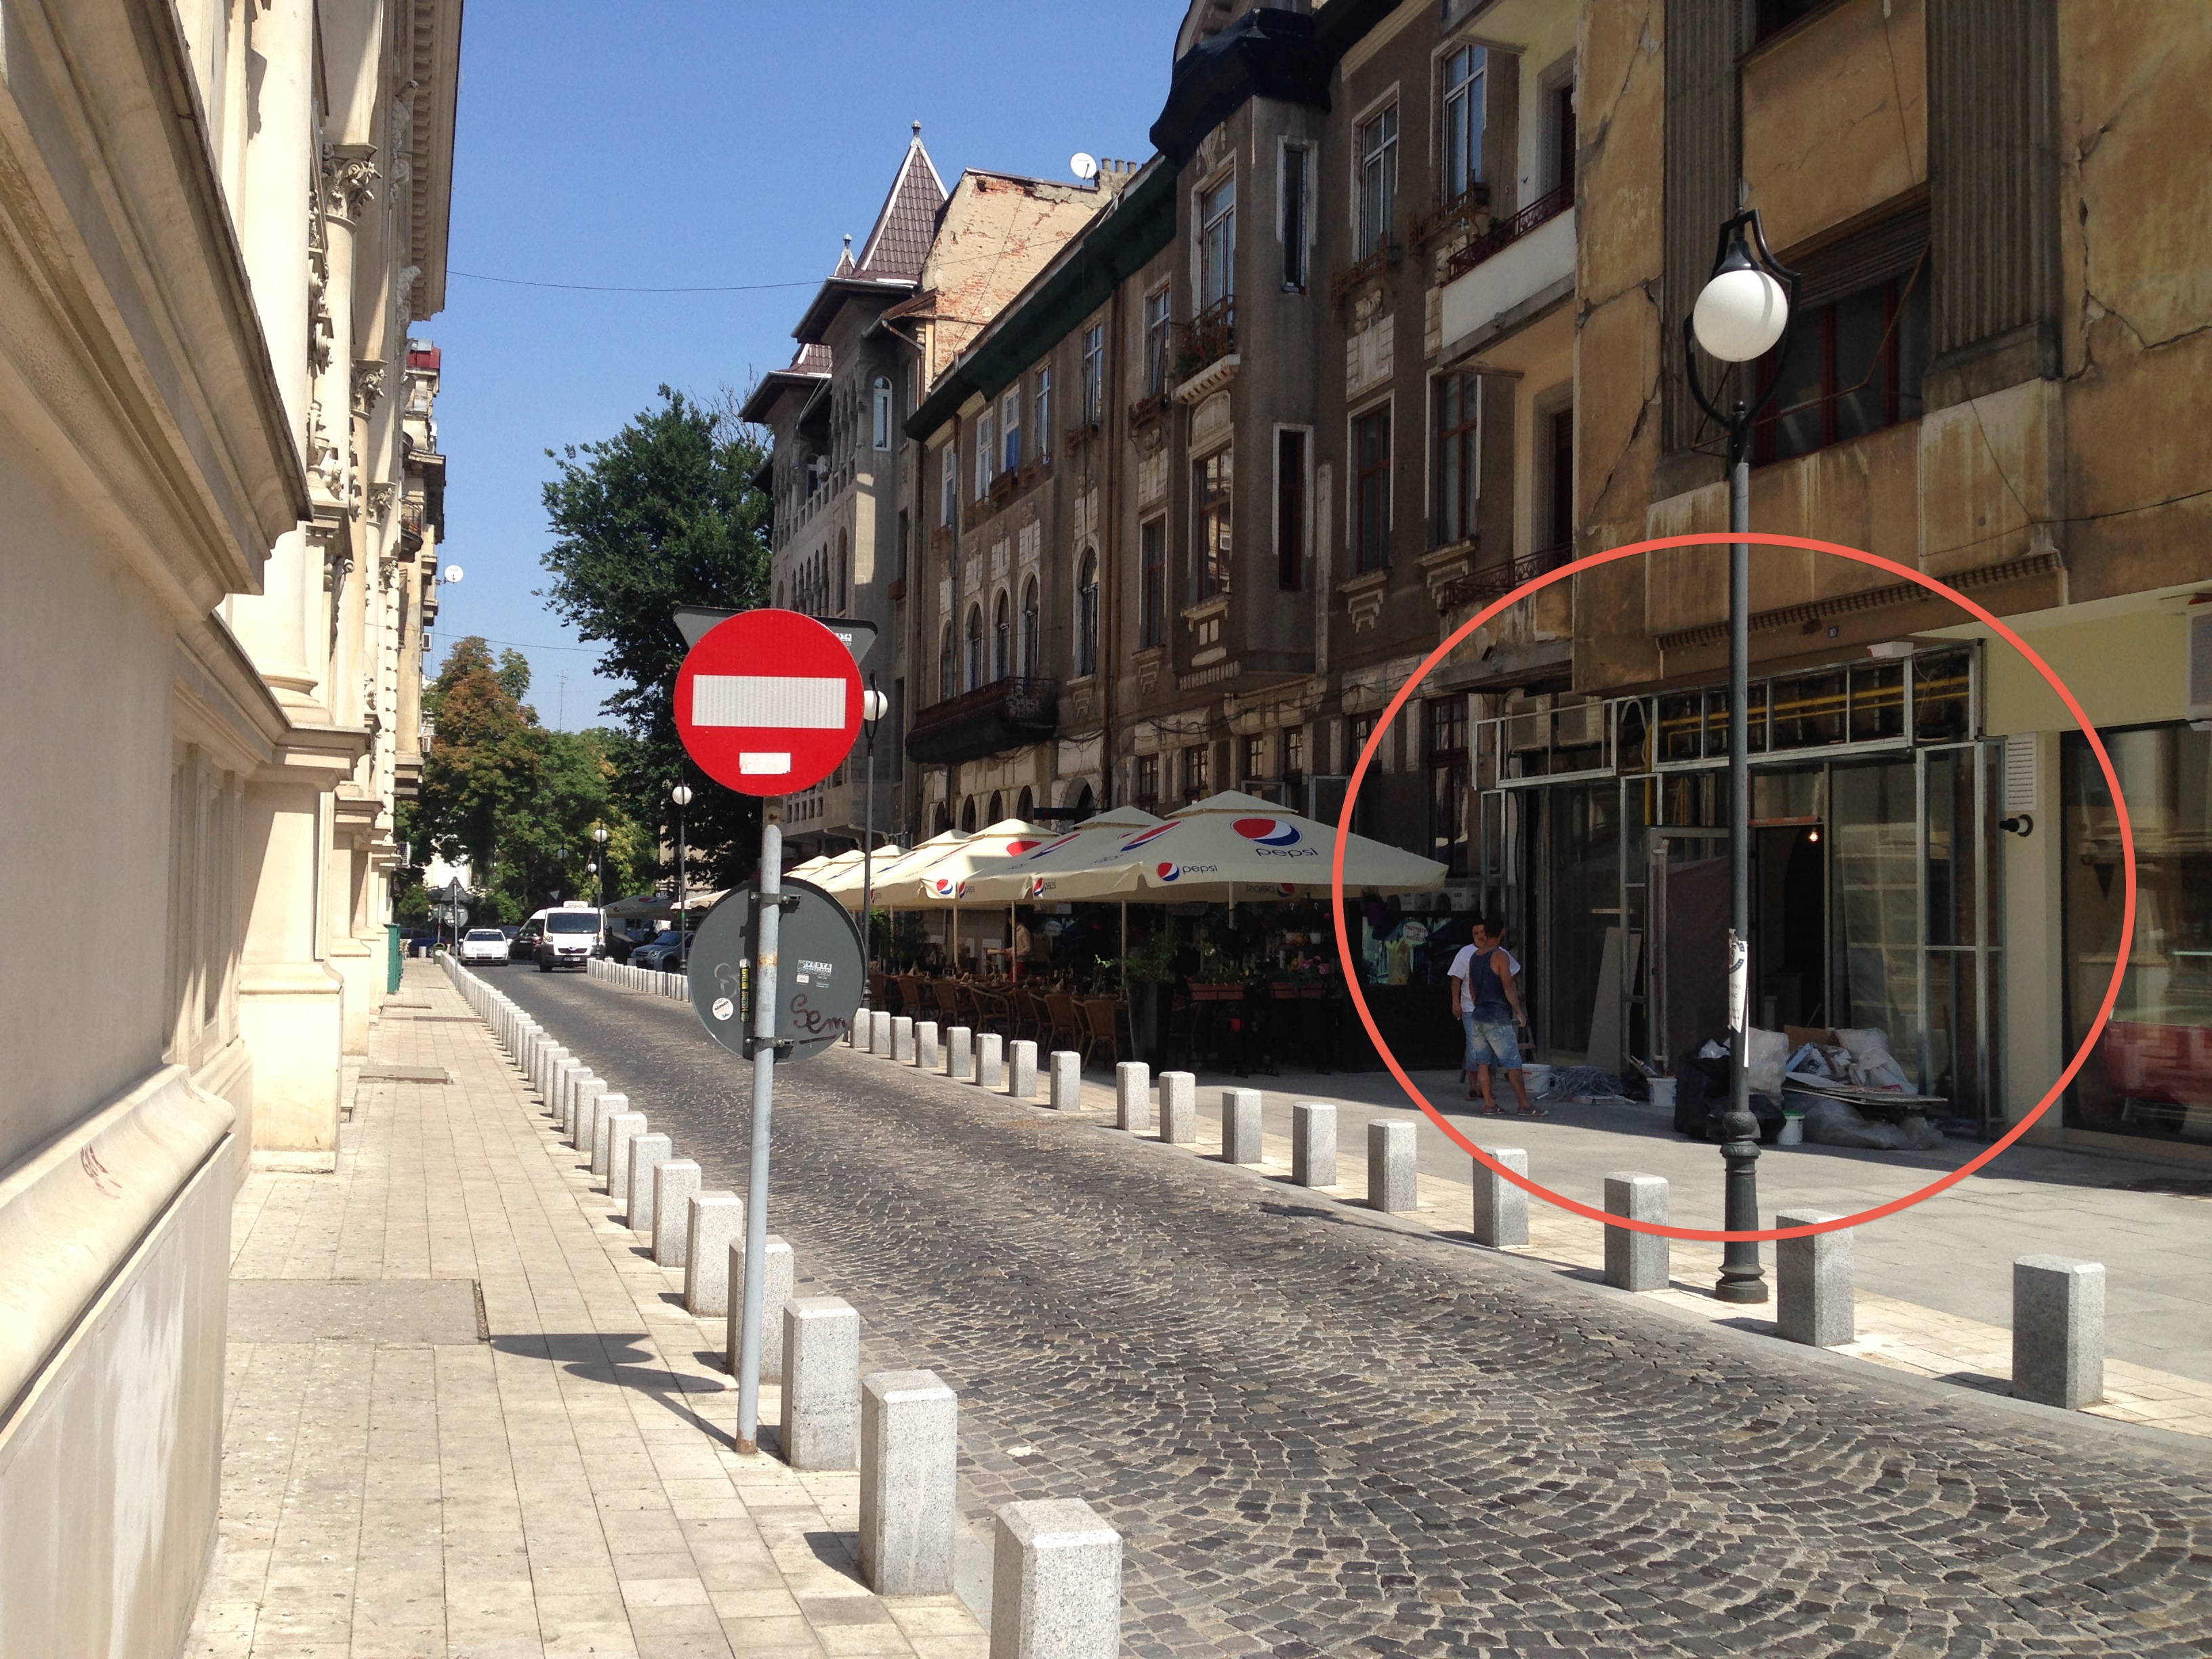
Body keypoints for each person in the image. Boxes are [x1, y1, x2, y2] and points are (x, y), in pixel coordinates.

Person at [1448, 914, 1541, 1117]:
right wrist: (1519, 1012)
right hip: (1497, 1016)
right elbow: (1508, 987)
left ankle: (1490, 1104)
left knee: (1483, 1062)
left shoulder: (1474, 956)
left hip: (1478, 1015)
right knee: (1513, 1062)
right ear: (1502, 933)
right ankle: (1524, 1105)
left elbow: (1471, 987)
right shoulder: (1500, 956)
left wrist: (1477, 1004)